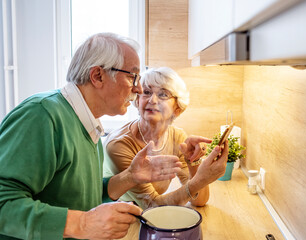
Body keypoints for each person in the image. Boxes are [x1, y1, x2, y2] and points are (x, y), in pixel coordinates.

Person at [0, 33, 184, 240]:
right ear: (97, 76)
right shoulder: (42, 115)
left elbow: (81, 195)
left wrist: (130, 177)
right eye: (132, 76)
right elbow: (3, 202)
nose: (138, 88)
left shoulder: (89, 124)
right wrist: (82, 223)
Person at [104, 67, 229, 210]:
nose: (152, 100)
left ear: (178, 108)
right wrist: (201, 180)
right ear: (137, 101)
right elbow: (151, 205)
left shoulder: (177, 137)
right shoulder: (120, 145)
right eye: (146, 92)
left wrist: (194, 162)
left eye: (163, 94)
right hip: (119, 219)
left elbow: (199, 201)